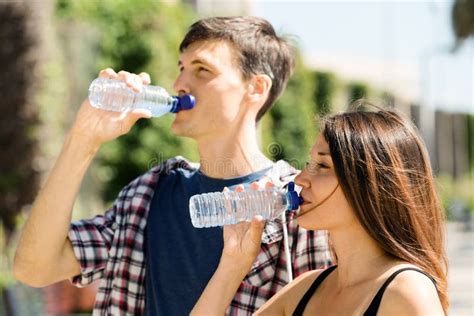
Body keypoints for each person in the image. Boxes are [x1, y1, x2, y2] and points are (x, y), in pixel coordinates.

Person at [13, 17, 332, 315]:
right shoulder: (148, 194)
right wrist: (83, 140)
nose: (179, 82)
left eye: (202, 70)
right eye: (181, 67)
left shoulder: (298, 208)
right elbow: (35, 268)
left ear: (256, 88)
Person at [192, 105, 449, 315]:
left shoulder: (406, 292)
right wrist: (233, 264)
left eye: (322, 166)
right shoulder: (305, 289)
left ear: (371, 184)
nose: (300, 178)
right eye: (308, 163)